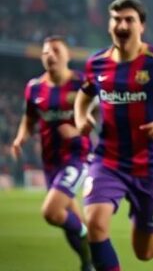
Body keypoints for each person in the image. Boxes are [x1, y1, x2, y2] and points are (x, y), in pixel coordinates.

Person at [73, 0, 153, 271]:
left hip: (148, 166)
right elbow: (83, 97)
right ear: (109, 25)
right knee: (96, 224)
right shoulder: (96, 64)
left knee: (146, 250)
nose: (122, 24)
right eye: (116, 19)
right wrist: (81, 117)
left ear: (141, 26)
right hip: (107, 161)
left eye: (129, 19)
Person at [12, 36, 93, 271]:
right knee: (68, 215)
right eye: (46, 52)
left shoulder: (81, 84)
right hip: (50, 162)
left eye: (56, 50)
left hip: (77, 157)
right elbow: (29, 119)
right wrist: (20, 137)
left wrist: (78, 128)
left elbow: (99, 116)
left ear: (68, 56)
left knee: (51, 212)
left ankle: (87, 233)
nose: (51, 55)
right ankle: (88, 263)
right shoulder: (34, 88)